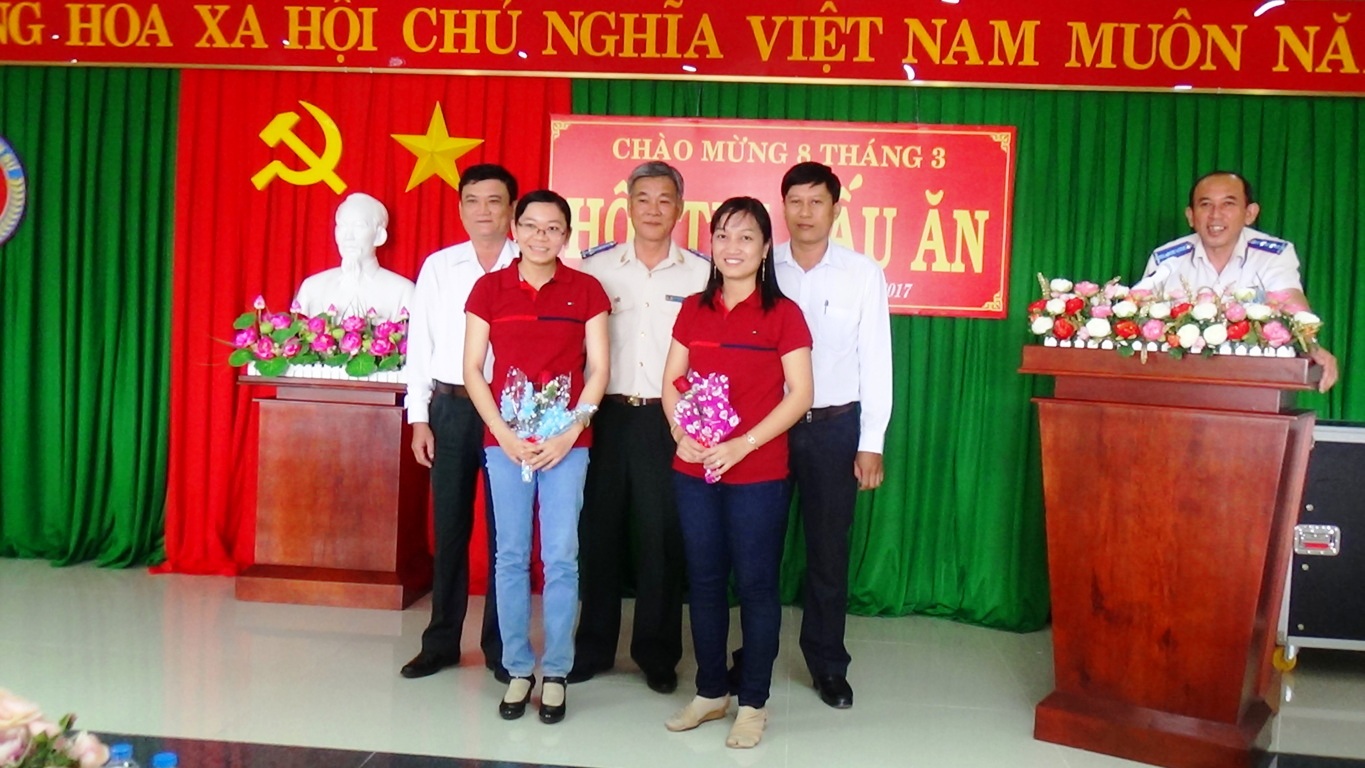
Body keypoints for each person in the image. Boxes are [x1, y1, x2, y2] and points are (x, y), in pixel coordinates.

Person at [661, 197, 814, 749]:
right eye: (723, 235)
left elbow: (801, 394)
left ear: (766, 247)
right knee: (703, 580)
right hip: (694, 468)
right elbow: (672, 380)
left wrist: (743, 444)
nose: (733, 247)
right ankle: (710, 692)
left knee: (755, 585)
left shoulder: (784, 314)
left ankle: (753, 703)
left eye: (746, 237)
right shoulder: (694, 308)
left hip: (758, 473)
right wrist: (680, 431)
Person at [463, 189, 610, 725]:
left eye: (552, 228)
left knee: (562, 556)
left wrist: (573, 430)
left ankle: (557, 672)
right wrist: (501, 433)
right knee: (510, 556)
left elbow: (598, 369)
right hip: (506, 441)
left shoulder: (587, 289)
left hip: (566, 443)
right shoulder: (489, 289)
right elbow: (473, 369)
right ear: (515, 230)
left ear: (566, 236)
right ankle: (518, 667)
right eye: (530, 226)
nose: (540, 236)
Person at [570, 162, 711, 694]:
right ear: (628, 205)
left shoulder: (701, 274)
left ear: (680, 208)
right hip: (604, 414)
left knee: (661, 537)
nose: (653, 209)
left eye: (664, 199)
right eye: (643, 198)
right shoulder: (595, 268)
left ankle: (657, 653)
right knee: (598, 531)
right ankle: (593, 647)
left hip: (666, 419)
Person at [771, 162, 893, 710]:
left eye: (816, 202)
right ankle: (752, 655)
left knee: (827, 552)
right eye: (795, 202)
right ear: (783, 207)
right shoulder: (762, 265)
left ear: (835, 209)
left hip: (834, 428)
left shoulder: (861, 273)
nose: (805, 213)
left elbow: (877, 359)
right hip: (768, 429)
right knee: (757, 548)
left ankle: (827, 663)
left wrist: (872, 441)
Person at [400, 165, 519, 683]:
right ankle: (441, 642)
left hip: (510, 413)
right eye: (473, 200)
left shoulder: (530, 261)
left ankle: (501, 646)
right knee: (449, 530)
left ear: (511, 208)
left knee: (505, 535)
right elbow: (419, 346)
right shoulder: (440, 267)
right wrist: (419, 418)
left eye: (494, 200)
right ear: (461, 208)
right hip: (449, 409)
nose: (484, 211)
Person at [1135, 170, 1338, 392]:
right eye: (1205, 205)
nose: (1215, 215)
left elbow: (1291, 304)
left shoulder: (1273, 255)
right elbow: (1141, 318)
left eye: (1228, 204)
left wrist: (1310, 345)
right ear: (1191, 216)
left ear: (1250, 213)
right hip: (1178, 384)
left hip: (1250, 386)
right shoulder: (1166, 259)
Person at [294, 192, 415, 320]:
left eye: (359, 226)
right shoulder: (312, 288)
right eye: (342, 226)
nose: (348, 237)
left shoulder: (402, 291)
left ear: (379, 236)